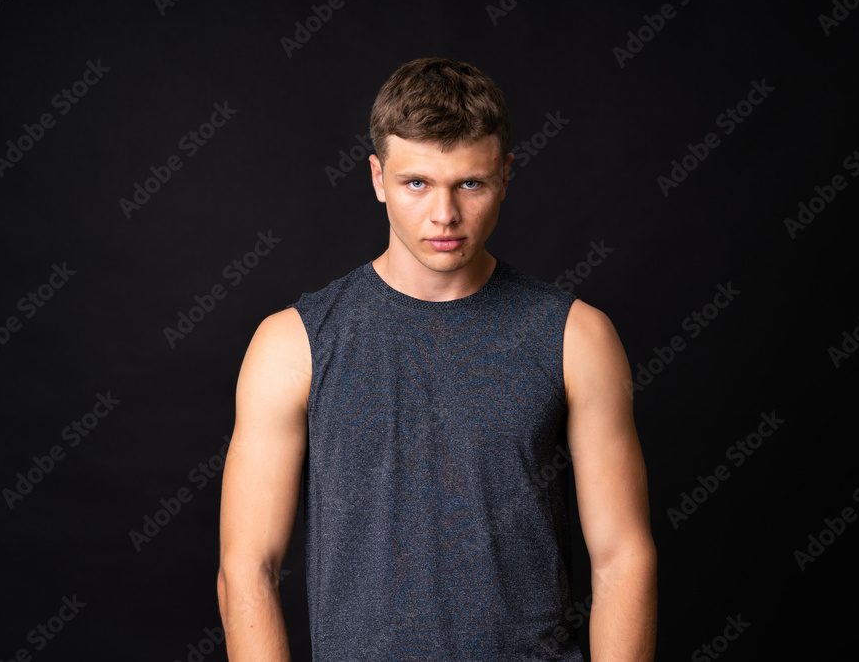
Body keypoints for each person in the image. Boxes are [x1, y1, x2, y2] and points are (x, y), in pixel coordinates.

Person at [217, 57, 657, 661]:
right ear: (377, 177)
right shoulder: (292, 344)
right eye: (416, 182)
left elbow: (622, 556)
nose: (444, 215)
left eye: (469, 184)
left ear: (504, 175)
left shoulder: (576, 337)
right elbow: (246, 569)